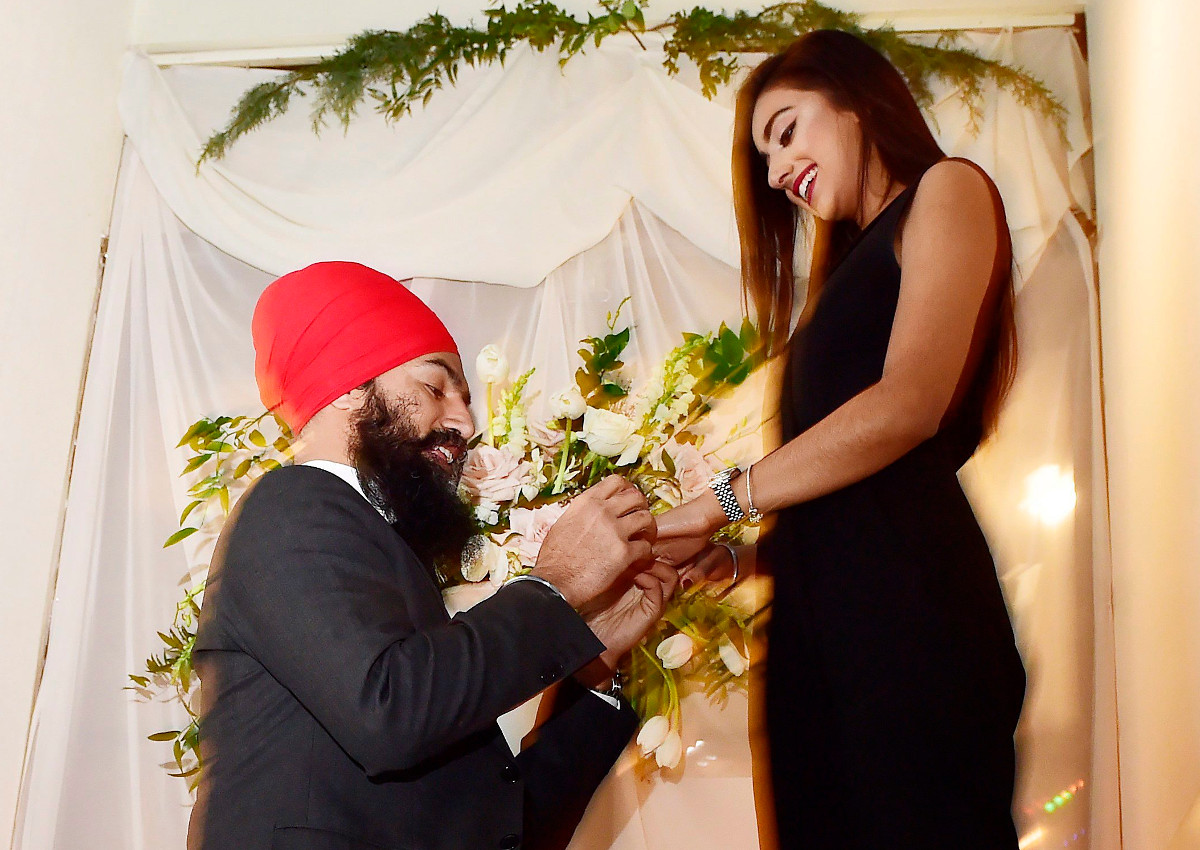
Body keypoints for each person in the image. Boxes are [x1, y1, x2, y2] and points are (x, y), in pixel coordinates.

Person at [654, 30, 1027, 849]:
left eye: (786, 130)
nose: (777, 173)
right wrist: (742, 560)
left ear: (856, 101)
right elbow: (848, 498)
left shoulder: (947, 190)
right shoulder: (843, 275)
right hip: (819, 643)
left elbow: (907, 406)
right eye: (765, 158)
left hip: (908, 630)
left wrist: (720, 503)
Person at [187, 261, 676, 850]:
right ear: (350, 386)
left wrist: (595, 665)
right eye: (434, 387)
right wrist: (558, 583)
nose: (464, 423)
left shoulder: (387, 557)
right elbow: (389, 715)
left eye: (465, 400)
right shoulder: (293, 503)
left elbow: (499, 830)